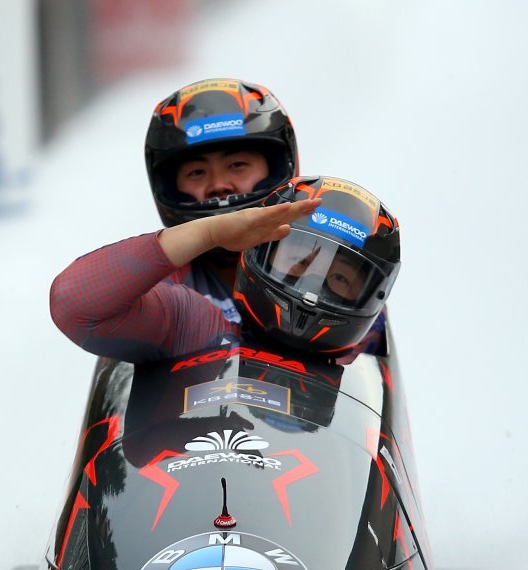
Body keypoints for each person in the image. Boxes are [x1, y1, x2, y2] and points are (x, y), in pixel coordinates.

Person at [50, 176, 400, 365]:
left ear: (370, 296)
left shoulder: (364, 363)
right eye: (299, 260)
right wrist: (209, 232)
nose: (311, 285)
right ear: (256, 252)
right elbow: (74, 305)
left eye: (338, 278)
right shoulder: (195, 325)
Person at [144, 77, 298, 313]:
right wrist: (209, 234)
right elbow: (76, 303)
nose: (218, 185)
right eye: (197, 172)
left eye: (237, 165)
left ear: (278, 167)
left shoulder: (329, 261)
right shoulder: (150, 295)